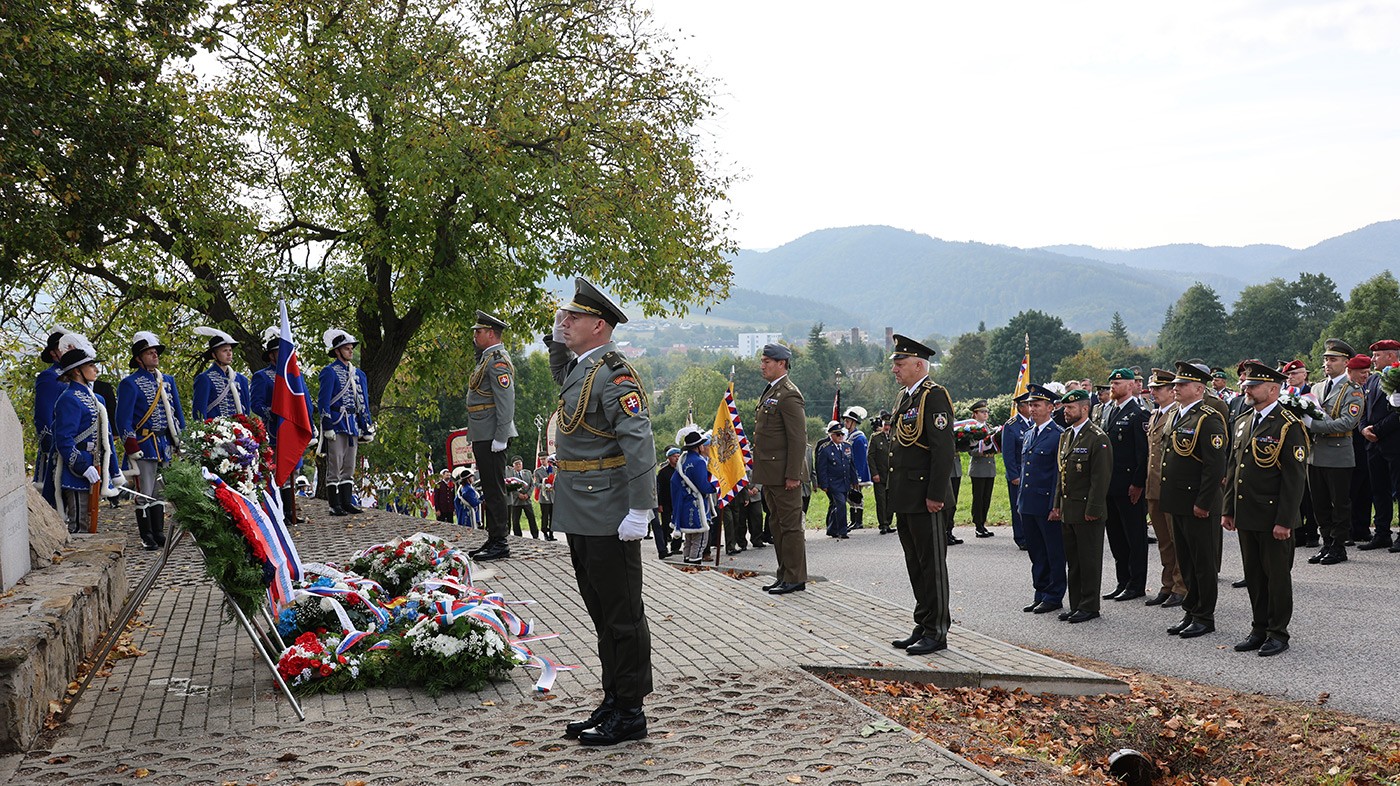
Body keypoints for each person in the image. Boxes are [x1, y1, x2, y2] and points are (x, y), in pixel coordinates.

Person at [546, 278, 657, 746]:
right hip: (580, 507)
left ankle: (630, 711)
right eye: (562, 317)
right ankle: (613, 698)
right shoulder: (581, 367)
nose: (564, 322)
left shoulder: (615, 374)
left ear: (598, 325)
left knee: (622, 615)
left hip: (610, 509)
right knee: (601, 611)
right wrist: (554, 339)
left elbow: (639, 441)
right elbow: (561, 376)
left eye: (572, 318)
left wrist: (641, 508)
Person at [1223, 362, 1310, 657]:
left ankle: (1277, 632)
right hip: (1247, 513)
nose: (1246, 388)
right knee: (1254, 575)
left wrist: (1285, 520)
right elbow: (1235, 467)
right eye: (1246, 385)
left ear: (1273, 389)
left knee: (1276, 577)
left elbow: (1294, 479)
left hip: (1274, 515)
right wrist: (1228, 508)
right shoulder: (1244, 421)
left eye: (1253, 385)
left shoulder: (1288, 425)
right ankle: (1259, 628)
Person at [884, 334, 956, 656]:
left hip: (926, 496)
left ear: (918, 364)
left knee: (933, 565)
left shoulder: (934, 396)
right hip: (906, 495)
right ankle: (923, 622)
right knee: (915, 563)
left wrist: (936, 495)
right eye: (895, 365)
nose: (895, 370)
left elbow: (943, 450)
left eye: (900, 364)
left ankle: (938, 630)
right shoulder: (904, 398)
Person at [1161, 361, 1228, 641]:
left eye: (1182, 384)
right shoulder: (1179, 414)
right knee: (1186, 560)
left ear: (1199, 388)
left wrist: (1204, 501)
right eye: (1176, 384)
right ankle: (1190, 610)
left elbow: (1215, 466)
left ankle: (1204, 615)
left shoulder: (1208, 418)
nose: (1175, 388)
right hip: (1178, 500)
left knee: (1203, 561)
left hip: (1198, 503)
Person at [117, 331, 185, 549]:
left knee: (160, 491)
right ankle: (146, 535)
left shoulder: (168, 380)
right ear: (139, 358)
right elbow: (122, 419)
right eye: (149, 352)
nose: (155, 355)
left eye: (156, 352)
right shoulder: (130, 383)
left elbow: (177, 413)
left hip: (164, 443)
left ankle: (158, 532)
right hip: (144, 444)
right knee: (144, 491)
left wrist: (180, 439)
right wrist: (131, 445)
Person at [51, 335, 125, 533]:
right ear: (77, 371)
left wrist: (111, 470)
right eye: (90, 365)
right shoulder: (69, 399)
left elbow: (105, 438)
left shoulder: (94, 397)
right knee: (79, 525)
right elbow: (64, 441)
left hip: (95, 466)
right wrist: (82, 467)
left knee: (91, 524)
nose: (96, 369)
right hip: (77, 471)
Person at [752, 343, 808, 595]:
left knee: (790, 527)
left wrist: (793, 475)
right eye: (762, 361)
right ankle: (784, 574)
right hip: (771, 475)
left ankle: (795, 576)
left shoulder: (788, 394)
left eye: (767, 361)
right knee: (776, 526)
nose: (762, 365)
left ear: (781, 363)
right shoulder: (772, 391)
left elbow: (797, 439)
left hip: (785, 475)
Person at [1304, 339, 1365, 566]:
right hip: (1315, 453)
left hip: (1338, 452)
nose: (1327, 363)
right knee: (1318, 502)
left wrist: (1314, 425)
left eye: (1333, 359)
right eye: (1325, 359)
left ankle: (1339, 546)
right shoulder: (1317, 387)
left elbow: (1347, 422)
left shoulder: (1353, 390)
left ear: (1346, 362)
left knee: (1339, 503)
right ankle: (1327, 542)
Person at [1052, 389, 1112, 623]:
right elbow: (1062, 473)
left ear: (1085, 409)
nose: (1066, 412)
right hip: (1069, 509)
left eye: (1071, 408)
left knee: (1089, 560)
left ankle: (1089, 605)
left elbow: (1101, 478)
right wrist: (1057, 504)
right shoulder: (1066, 436)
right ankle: (1076, 603)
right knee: (1074, 561)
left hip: (1087, 510)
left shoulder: (1097, 438)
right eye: (1065, 408)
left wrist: (1093, 509)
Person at [466, 310, 517, 561]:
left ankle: (500, 541)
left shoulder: (497, 360)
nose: (474, 335)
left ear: (490, 333)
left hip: (491, 433)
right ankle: (494, 536)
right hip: (483, 431)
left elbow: (505, 400)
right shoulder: (486, 358)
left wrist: (501, 435)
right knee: (488, 485)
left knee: (495, 488)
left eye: (478, 331)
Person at [251, 326, 316, 525]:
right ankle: (279, 512)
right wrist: (276, 413)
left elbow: (305, 403)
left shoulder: (296, 375)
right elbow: (256, 405)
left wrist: (310, 425)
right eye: (280, 351)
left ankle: (291, 512)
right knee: (278, 472)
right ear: (272, 355)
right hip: (275, 431)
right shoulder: (262, 376)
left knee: (293, 471)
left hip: (294, 429)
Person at [1101, 368, 1150, 603]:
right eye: (1112, 383)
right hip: (1110, 485)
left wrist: (1138, 484)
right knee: (1116, 536)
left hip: (1129, 485)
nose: (1113, 386)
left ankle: (1136, 583)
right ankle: (1122, 580)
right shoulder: (1107, 410)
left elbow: (1143, 454)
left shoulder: (1138, 413)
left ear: (1130, 386)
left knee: (1134, 536)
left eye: (1118, 382)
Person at [1016, 384, 1066, 616]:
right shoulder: (1028, 434)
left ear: (1050, 408)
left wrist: (1055, 505)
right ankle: (1041, 592)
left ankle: (1054, 595)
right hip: (1028, 503)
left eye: (1036, 405)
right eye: (1030, 405)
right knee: (1036, 552)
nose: (1031, 409)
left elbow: (1058, 475)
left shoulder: (1057, 435)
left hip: (1047, 504)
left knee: (1053, 552)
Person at [317, 328, 373, 518]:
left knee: (349, 465)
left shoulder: (359, 374)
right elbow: (323, 401)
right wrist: (328, 426)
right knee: (335, 465)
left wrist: (367, 426)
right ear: (338, 351)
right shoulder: (329, 372)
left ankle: (347, 502)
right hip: (337, 422)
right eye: (347, 348)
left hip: (353, 424)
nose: (350, 351)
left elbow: (363, 401)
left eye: (351, 348)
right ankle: (334, 504)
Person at [1143, 368, 1186, 608]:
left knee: (1176, 539)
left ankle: (1181, 586)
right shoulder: (1155, 415)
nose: (1153, 392)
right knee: (1163, 541)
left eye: (1158, 388)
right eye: (1152, 388)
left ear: (1172, 391)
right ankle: (1167, 584)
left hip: (1170, 489)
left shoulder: (1177, 416)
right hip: (1154, 487)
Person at [1359, 339, 1400, 552]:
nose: (1373, 359)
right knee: (1379, 490)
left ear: (1391, 356)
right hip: (1373, 445)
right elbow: (1364, 409)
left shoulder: (1398, 376)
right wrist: (1364, 428)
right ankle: (1382, 533)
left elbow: (1398, 414)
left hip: (1394, 443)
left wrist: (1377, 430)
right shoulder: (1373, 380)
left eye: (1377, 355)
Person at [33, 326, 70, 509]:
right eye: (62, 346)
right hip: (56, 446)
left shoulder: (78, 375)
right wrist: (50, 446)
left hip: (77, 445)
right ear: (54, 353)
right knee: (54, 500)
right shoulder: (48, 377)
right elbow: (43, 415)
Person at [671, 427, 712, 564]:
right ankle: (694, 565)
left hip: (685, 503)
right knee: (699, 539)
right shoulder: (699, 462)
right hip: (696, 504)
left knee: (689, 538)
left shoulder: (683, 460)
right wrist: (717, 487)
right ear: (699, 446)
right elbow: (703, 485)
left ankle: (686, 563)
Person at [191, 327, 251, 419]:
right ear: (214, 355)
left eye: (230, 350)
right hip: (216, 430)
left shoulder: (241, 379)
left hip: (240, 429)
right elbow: (199, 412)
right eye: (224, 351)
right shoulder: (205, 379)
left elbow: (246, 410)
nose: (229, 354)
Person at [998, 399, 1033, 550]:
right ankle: (1021, 537)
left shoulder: (1034, 422)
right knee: (1018, 506)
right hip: (1018, 474)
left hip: (1031, 474)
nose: (1031, 408)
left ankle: (1031, 535)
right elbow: (1008, 454)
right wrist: (1014, 475)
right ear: (1021, 407)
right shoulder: (1011, 425)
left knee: (1031, 506)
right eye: (1029, 405)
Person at [816, 421, 859, 539]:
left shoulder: (847, 447)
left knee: (837, 506)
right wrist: (823, 484)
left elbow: (851, 465)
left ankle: (831, 529)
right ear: (831, 435)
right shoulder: (825, 449)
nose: (840, 436)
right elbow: (822, 468)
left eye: (842, 434)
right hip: (833, 483)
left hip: (845, 481)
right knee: (840, 505)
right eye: (837, 434)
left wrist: (854, 481)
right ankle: (842, 530)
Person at [966, 400, 997, 538]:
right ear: (975, 414)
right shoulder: (972, 429)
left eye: (986, 412)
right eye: (982, 412)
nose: (986, 414)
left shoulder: (989, 428)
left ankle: (983, 523)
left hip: (990, 466)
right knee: (978, 498)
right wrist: (982, 449)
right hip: (978, 467)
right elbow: (970, 450)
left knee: (987, 497)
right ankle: (978, 525)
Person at [840, 407, 872, 530]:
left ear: (853, 422)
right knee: (851, 496)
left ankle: (858, 521)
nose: (845, 423)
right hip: (850, 472)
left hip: (857, 472)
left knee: (857, 496)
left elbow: (860, 459)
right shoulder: (850, 437)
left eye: (848, 421)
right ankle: (853, 520)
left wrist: (858, 475)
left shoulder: (859, 438)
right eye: (846, 421)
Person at [653, 448, 681, 559]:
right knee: (666, 525)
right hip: (666, 502)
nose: (677, 458)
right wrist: (659, 504)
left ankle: (676, 546)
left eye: (678, 456)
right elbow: (660, 489)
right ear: (669, 458)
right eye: (674, 456)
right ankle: (663, 546)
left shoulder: (681, 470)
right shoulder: (663, 472)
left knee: (679, 524)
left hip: (678, 501)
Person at [869, 414, 894, 534]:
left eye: (889, 425)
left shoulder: (895, 437)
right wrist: (874, 473)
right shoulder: (875, 438)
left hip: (892, 476)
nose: (887, 427)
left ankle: (888, 522)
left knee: (891, 500)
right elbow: (870, 457)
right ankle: (883, 524)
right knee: (881, 500)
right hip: (880, 474)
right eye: (885, 425)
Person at [507, 456, 539, 538]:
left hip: (527, 500)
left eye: (519, 464)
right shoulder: (511, 475)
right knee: (515, 520)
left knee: (531, 518)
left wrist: (528, 494)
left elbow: (532, 485)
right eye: (516, 464)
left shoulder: (527, 472)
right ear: (513, 465)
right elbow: (509, 486)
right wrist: (518, 495)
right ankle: (518, 536)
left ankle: (535, 535)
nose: (518, 465)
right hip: (516, 501)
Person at [535, 454, 557, 541]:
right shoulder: (538, 471)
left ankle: (551, 533)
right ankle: (545, 533)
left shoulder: (553, 469)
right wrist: (544, 486)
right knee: (545, 516)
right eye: (541, 459)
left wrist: (552, 486)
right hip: (544, 496)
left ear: (547, 459)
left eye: (544, 459)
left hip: (552, 496)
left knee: (552, 516)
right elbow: (536, 483)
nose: (543, 461)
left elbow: (557, 480)